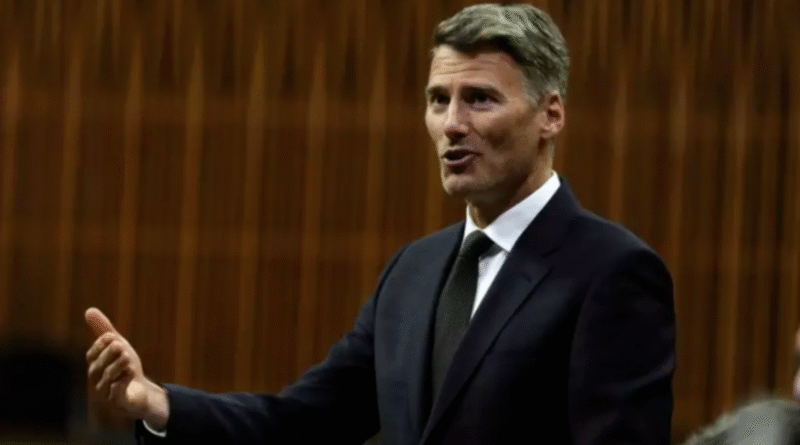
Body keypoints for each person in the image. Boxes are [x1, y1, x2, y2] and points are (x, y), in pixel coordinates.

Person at [85, 4, 676, 444]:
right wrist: (159, 404)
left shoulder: (612, 271)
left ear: (550, 115)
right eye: (438, 99)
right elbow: (304, 422)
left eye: (479, 98)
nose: (452, 124)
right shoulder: (413, 271)